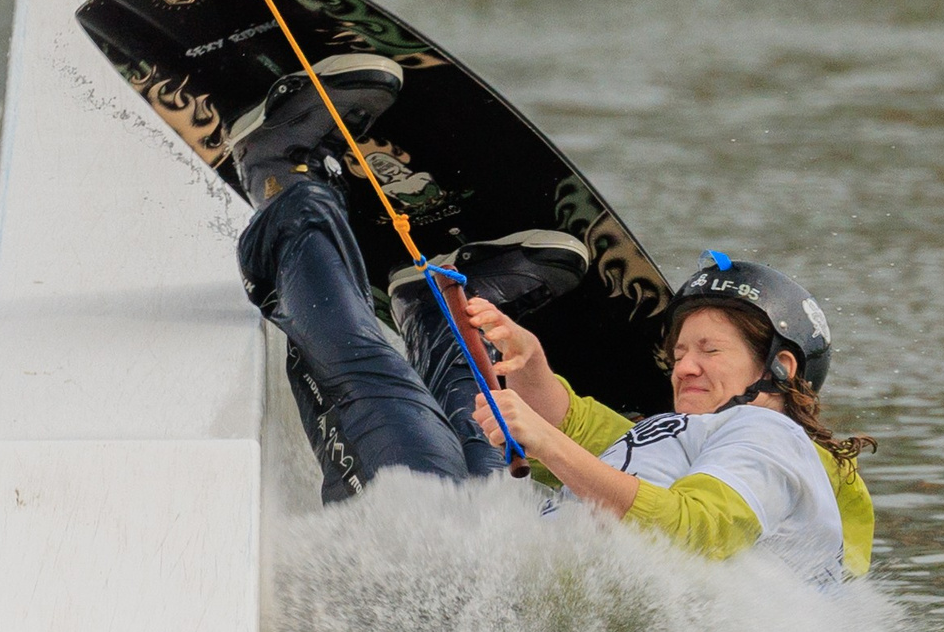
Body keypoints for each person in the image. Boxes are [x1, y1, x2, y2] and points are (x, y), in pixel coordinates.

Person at [229, 51, 874, 582]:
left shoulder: (770, 441)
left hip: (435, 596)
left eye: (708, 350)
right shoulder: (699, 441)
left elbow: (694, 531)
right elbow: (584, 427)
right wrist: (531, 367)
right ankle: (434, 309)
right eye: (678, 353)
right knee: (486, 442)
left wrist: (543, 441)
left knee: (384, 389)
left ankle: (276, 172)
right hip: (490, 585)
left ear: (779, 368)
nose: (684, 367)